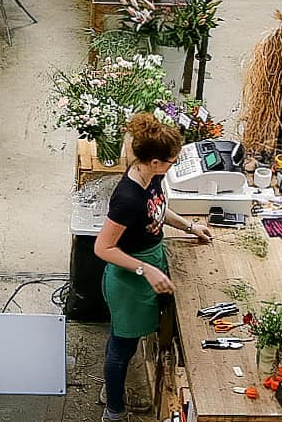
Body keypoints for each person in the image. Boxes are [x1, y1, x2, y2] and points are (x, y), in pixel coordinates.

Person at [94, 113, 212, 421]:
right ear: (156, 161)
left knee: (126, 338)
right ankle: (114, 410)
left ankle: (112, 391)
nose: (173, 165)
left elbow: (158, 210)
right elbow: (103, 248)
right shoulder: (127, 199)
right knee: (122, 343)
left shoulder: (153, 177)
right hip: (128, 278)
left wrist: (189, 227)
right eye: (172, 161)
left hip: (150, 260)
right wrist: (145, 270)